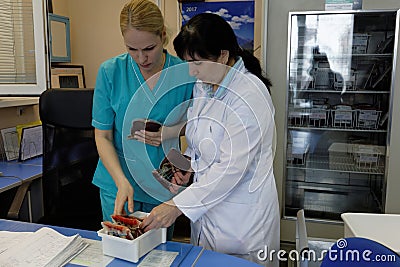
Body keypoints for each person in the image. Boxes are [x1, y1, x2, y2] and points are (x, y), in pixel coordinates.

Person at [141, 13, 280, 266]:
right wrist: (190, 166)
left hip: (241, 223)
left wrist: (176, 206)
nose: (192, 72)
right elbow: (201, 136)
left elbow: (231, 169)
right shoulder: (205, 85)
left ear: (223, 56)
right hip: (207, 215)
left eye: (198, 63)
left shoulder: (249, 96)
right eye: (188, 64)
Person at [91, 0, 193, 240]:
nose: (141, 58)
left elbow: (197, 125)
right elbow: (102, 135)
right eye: (132, 49)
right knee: (122, 254)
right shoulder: (110, 72)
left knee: (161, 256)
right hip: (118, 185)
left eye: (149, 48)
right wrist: (121, 181)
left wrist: (170, 132)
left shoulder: (185, 74)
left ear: (163, 36)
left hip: (163, 185)